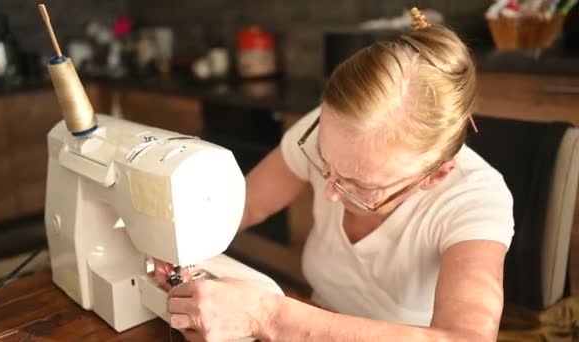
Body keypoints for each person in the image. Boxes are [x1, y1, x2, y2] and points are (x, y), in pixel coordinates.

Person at [155, 7, 514, 342]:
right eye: (323, 162)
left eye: (359, 185)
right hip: (315, 315)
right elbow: (247, 207)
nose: (329, 192)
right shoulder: (328, 132)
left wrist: (268, 315)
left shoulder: (475, 199)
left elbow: (466, 338)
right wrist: (183, 244)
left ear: (434, 176)